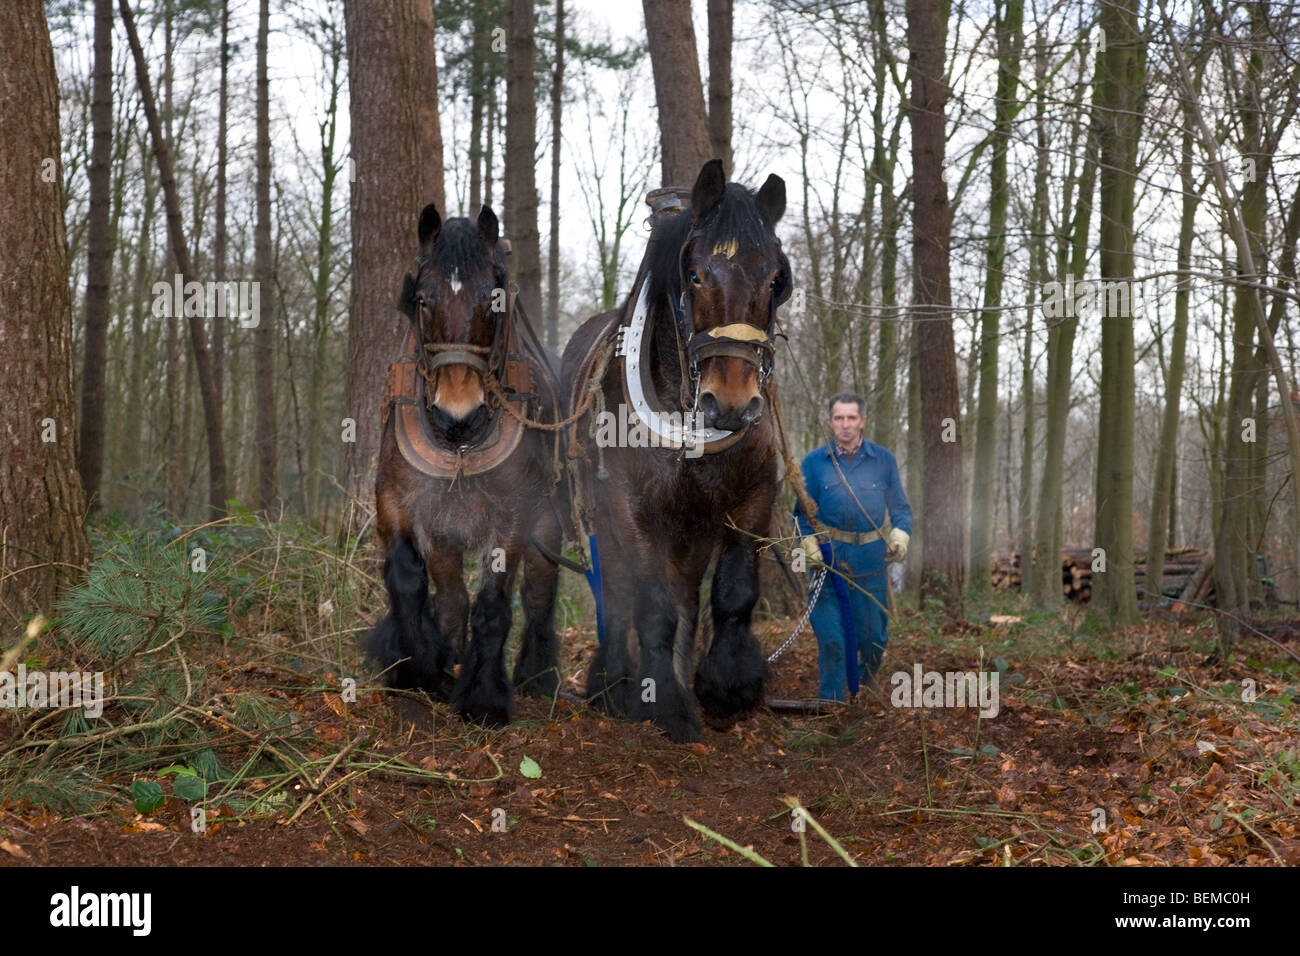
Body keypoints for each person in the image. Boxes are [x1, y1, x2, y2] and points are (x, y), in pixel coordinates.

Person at [793, 392, 912, 701]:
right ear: (831, 422)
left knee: (872, 639)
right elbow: (802, 513)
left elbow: (901, 508)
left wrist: (900, 535)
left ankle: (862, 688)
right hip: (828, 561)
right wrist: (807, 543)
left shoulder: (883, 460)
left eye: (851, 418)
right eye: (839, 418)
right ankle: (829, 706)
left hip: (871, 562)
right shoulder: (814, 463)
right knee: (832, 640)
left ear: (862, 421)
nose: (845, 425)